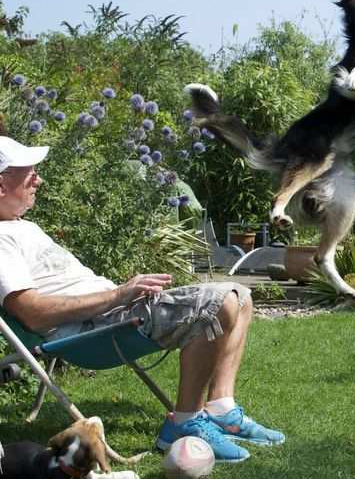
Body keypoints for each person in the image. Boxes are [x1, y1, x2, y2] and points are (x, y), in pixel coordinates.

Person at [0, 136, 284, 463]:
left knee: (242, 296)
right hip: (90, 333)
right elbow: (33, 314)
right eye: (28, 172)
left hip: (111, 314)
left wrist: (122, 295)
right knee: (220, 303)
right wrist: (120, 294)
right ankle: (184, 423)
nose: (39, 179)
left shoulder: (22, 227)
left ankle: (222, 409)